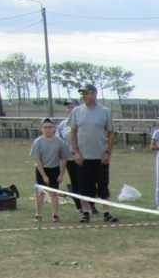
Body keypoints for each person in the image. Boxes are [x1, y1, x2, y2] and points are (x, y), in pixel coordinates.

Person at [67, 83, 118, 223]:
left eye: (86, 93)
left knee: (103, 185)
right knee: (83, 186)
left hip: (100, 157)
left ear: (94, 94)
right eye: (82, 94)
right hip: (83, 158)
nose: (84, 96)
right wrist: (76, 152)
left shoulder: (104, 111)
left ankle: (106, 212)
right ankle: (86, 212)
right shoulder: (76, 111)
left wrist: (108, 152)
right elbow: (73, 133)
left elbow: (111, 133)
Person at [29, 117, 72, 222]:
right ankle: (38, 215)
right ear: (41, 129)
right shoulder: (38, 142)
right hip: (41, 169)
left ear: (54, 128)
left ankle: (55, 215)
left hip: (54, 169)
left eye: (50, 127)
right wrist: (43, 175)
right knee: (40, 193)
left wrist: (61, 174)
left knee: (54, 193)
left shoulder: (59, 142)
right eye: (45, 127)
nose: (48, 129)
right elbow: (37, 160)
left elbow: (64, 158)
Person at [56, 99, 85, 217]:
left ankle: (91, 205)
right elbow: (59, 142)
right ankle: (80, 207)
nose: (70, 109)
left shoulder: (84, 123)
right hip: (70, 159)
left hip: (85, 158)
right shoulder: (63, 125)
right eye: (68, 107)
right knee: (75, 183)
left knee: (87, 182)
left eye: (72, 107)